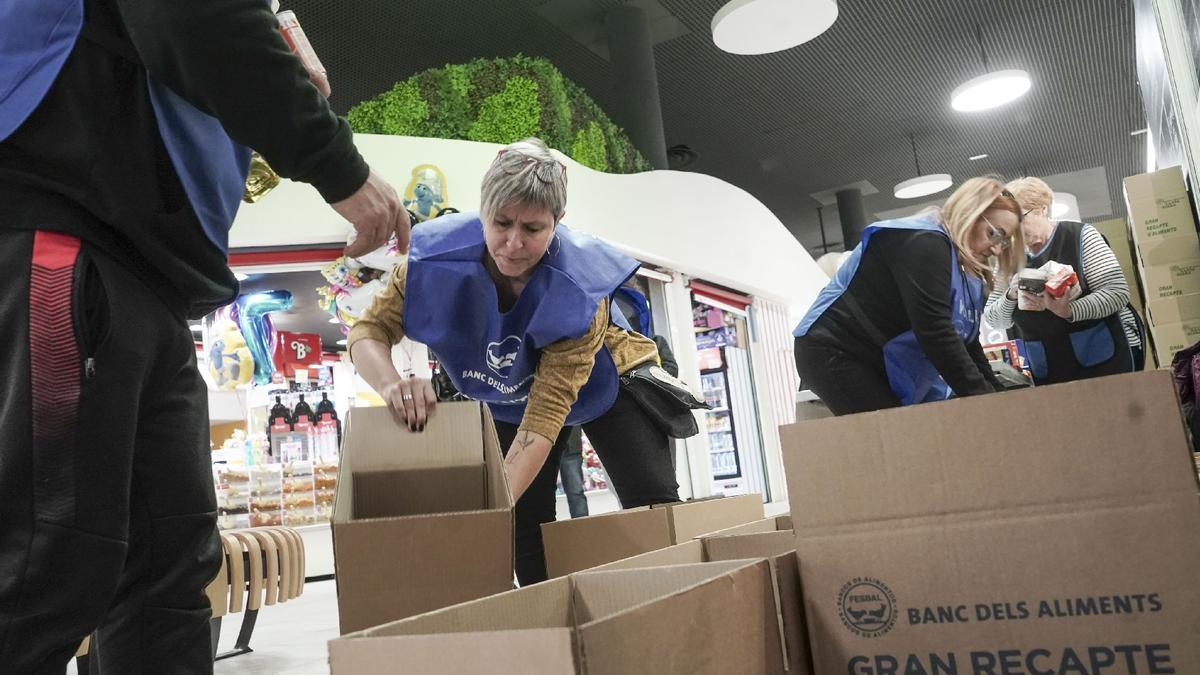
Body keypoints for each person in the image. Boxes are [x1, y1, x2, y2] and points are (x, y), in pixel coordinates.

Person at [0, 1, 410, 671]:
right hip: (64, 219)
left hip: (144, 267)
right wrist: (337, 164)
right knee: (41, 564)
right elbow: (195, 14)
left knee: (164, 572)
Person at [349, 137, 680, 585]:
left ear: (558, 222)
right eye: (501, 223)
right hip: (507, 389)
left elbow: (545, 417)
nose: (513, 243)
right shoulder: (431, 264)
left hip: (610, 376)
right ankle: (551, 626)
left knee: (652, 506)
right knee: (523, 521)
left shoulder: (578, 293)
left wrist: (483, 513)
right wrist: (390, 384)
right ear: (482, 210)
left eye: (534, 229)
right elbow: (368, 331)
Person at [792, 177, 1025, 415]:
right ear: (970, 213)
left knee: (905, 431)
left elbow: (967, 341)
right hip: (834, 348)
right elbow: (936, 332)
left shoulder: (963, 268)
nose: (997, 248)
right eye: (994, 234)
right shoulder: (924, 243)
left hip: (876, 353)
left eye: (1004, 241)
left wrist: (996, 396)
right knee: (894, 435)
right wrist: (986, 403)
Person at [983, 177, 1136, 384]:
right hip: (1047, 366)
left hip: (1101, 357)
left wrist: (1069, 310)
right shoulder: (1007, 258)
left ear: (1042, 209)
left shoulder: (1080, 236)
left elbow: (1116, 293)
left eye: (1021, 219)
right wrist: (1011, 294)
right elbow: (993, 318)